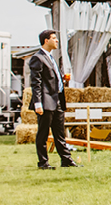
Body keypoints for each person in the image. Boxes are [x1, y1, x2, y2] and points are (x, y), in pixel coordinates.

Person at [29, 29, 79, 169]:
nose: (57, 40)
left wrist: (61, 80)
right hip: (45, 102)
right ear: (46, 41)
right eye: (54, 38)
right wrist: (38, 103)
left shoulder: (51, 58)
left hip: (57, 100)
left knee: (60, 133)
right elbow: (36, 82)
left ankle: (66, 160)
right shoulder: (37, 58)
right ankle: (43, 163)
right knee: (43, 134)